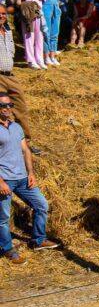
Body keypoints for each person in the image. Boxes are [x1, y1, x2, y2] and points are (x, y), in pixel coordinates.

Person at [0, 93, 59, 264]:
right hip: (5, 180)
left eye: (9, 105)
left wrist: (31, 173)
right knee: (3, 218)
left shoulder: (16, 127)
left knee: (41, 205)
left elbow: (26, 150)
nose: (6, 108)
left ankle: (38, 240)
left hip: (23, 178)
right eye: (2, 105)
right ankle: (8, 250)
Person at [0, 5, 34, 148]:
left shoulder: (7, 30)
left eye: (3, 13)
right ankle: (5, 144)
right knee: (2, 109)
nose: (2, 16)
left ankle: (25, 142)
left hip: (10, 75)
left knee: (20, 107)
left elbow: (12, 51)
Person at [16, 0, 47, 70]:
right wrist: (26, 5)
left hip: (38, 15)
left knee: (39, 37)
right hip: (28, 15)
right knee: (29, 36)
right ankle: (31, 61)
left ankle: (39, 59)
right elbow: (18, 3)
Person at [40, 0, 60, 66]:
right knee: (46, 33)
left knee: (55, 33)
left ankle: (53, 56)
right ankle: (46, 56)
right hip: (46, 8)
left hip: (55, 8)